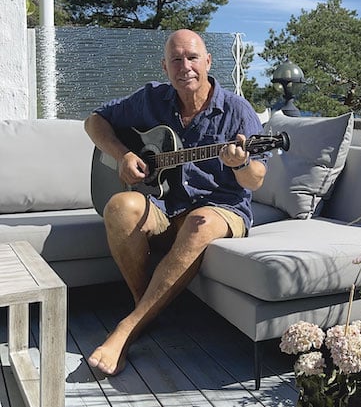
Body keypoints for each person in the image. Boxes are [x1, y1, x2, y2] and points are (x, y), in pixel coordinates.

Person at [83, 29, 267, 375]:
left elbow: (256, 177)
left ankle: (127, 328)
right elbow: (94, 122)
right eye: (176, 60)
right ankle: (146, 307)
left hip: (221, 210)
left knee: (201, 221)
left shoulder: (237, 111)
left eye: (193, 57)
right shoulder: (151, 99)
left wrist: (240, 162)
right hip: (166, 209)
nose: (186, 66)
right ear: (165, 67)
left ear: (209, 62)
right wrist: (123, 155)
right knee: (121, 207)